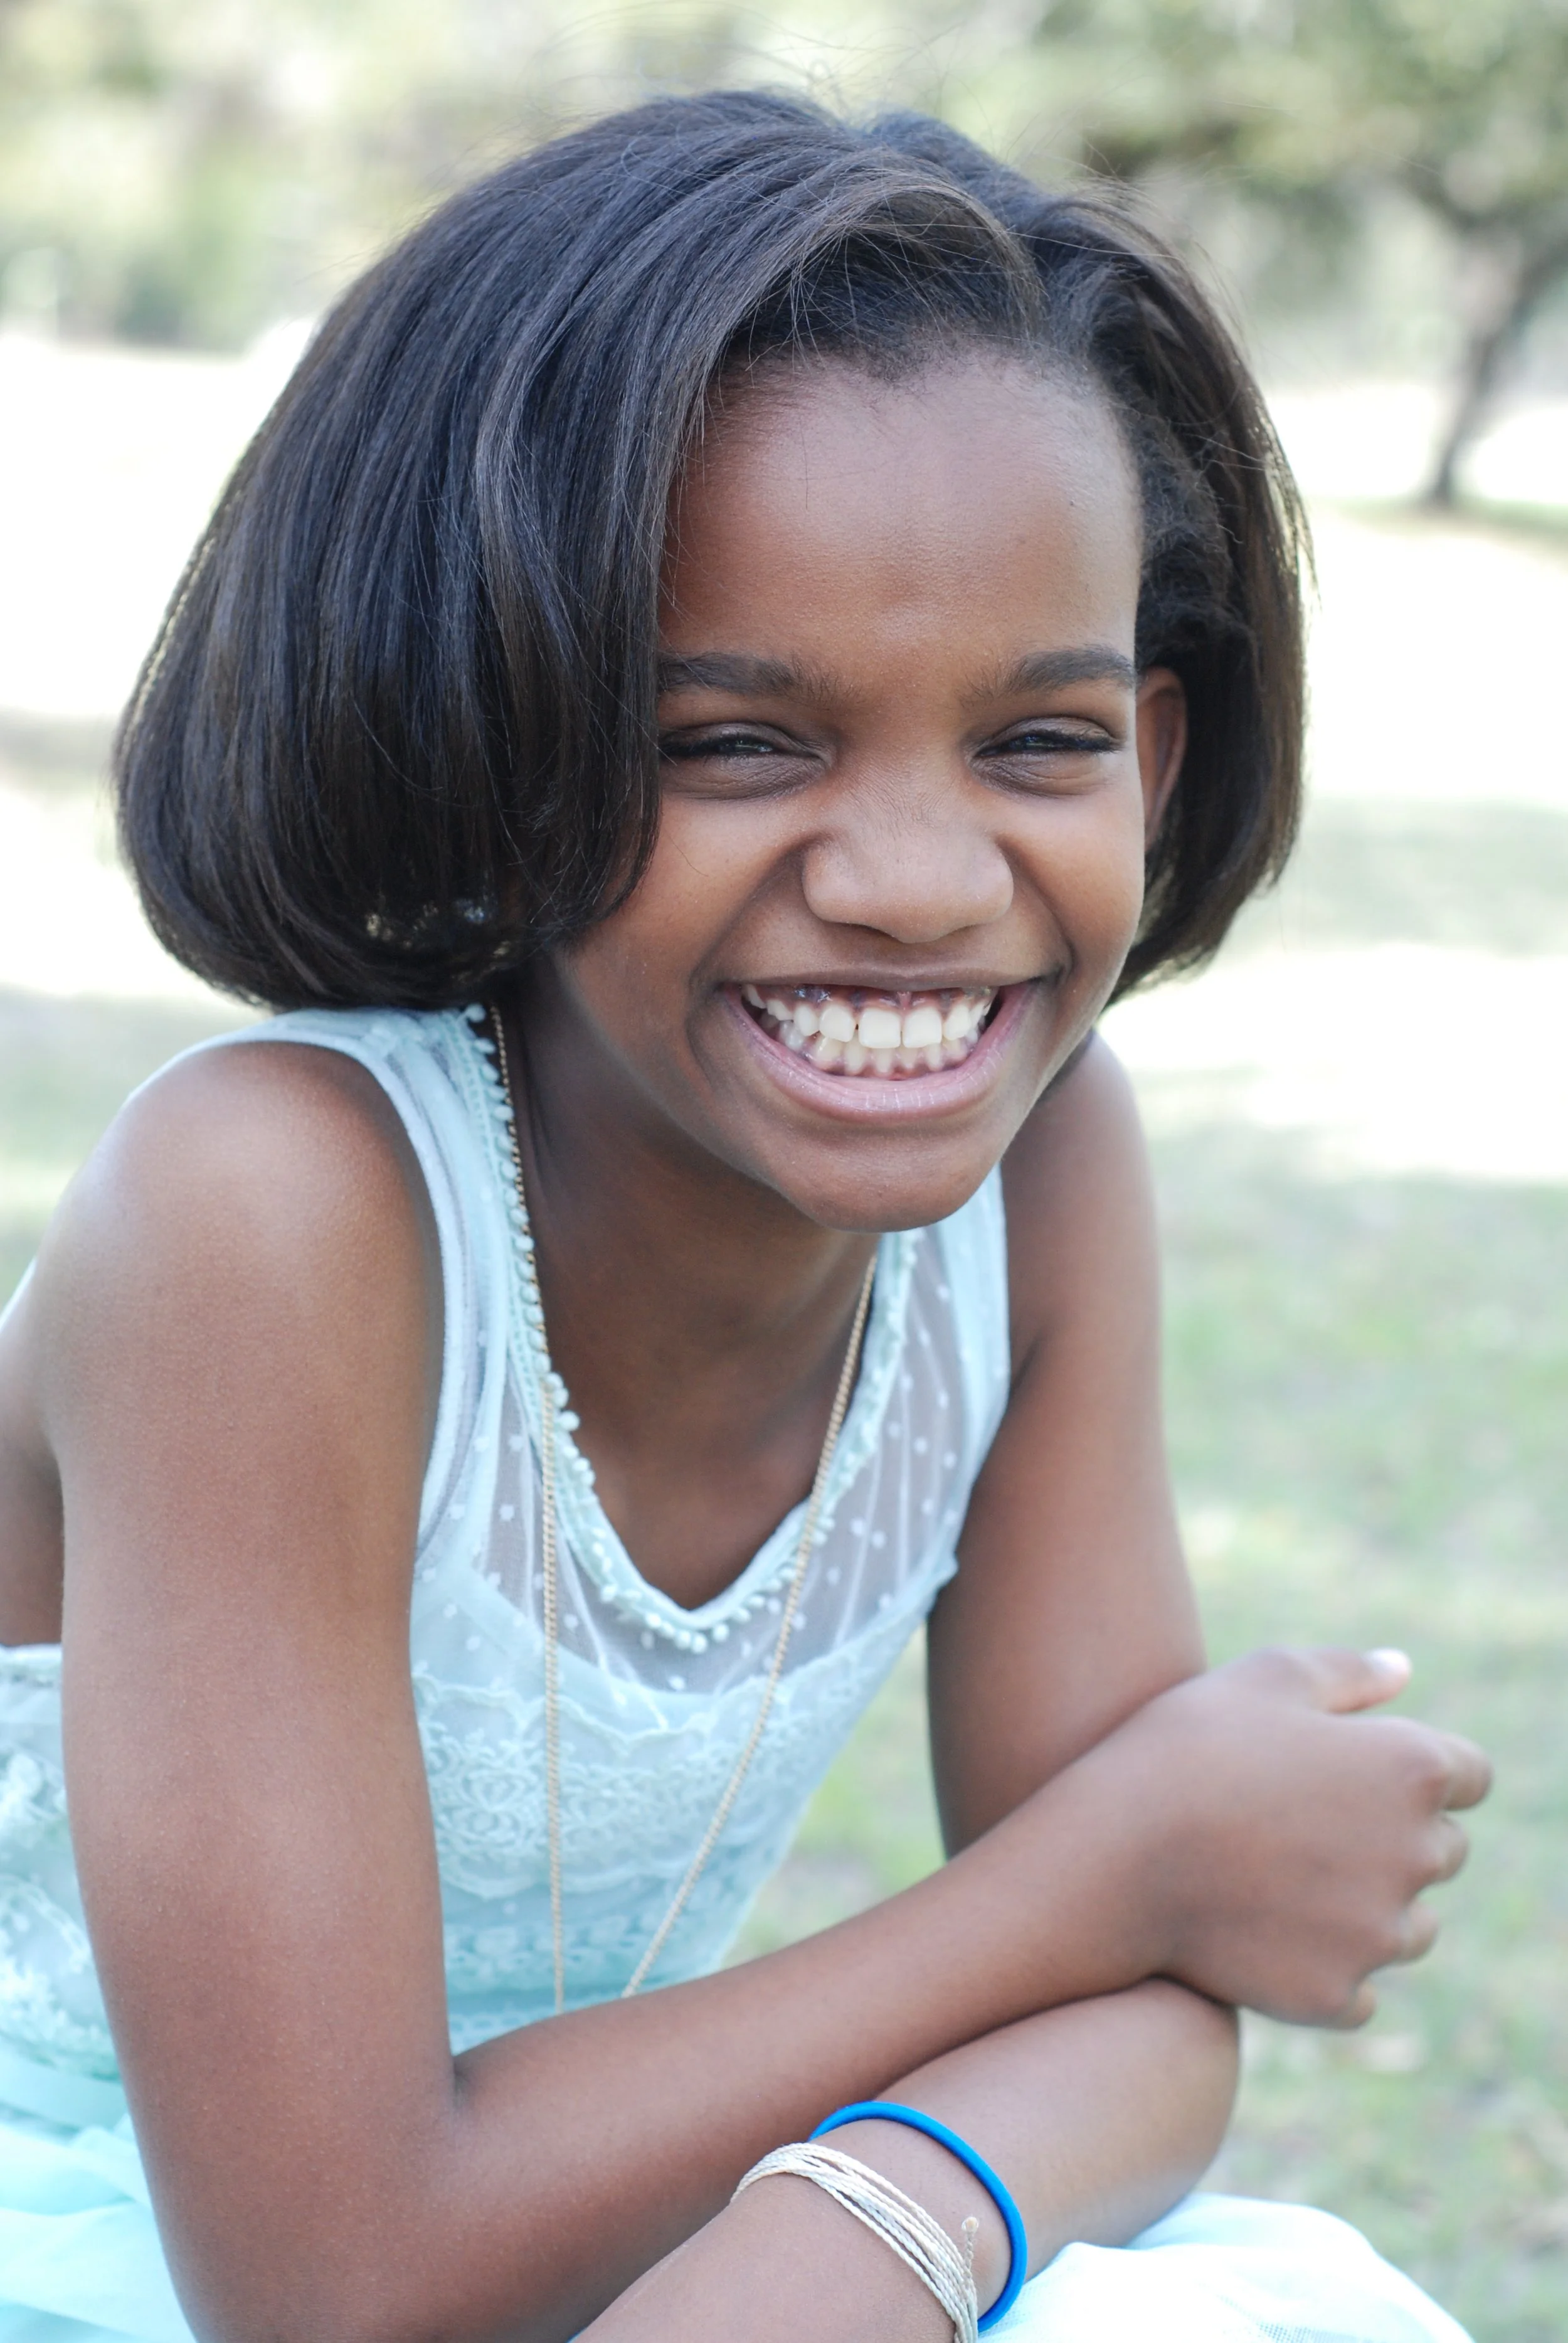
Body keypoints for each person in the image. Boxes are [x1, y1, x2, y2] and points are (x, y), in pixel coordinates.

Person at [0, 90, 1491, 2343]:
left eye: (1038, 743)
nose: (917, 884)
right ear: (489, 736)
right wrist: (1097, 1875)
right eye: (735, 744)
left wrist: (866, 2235)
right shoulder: (275, 1212)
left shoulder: (1045, 1168)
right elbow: (323, 2287)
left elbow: (1161, 2013)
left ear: (1155, 760)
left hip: (638, 2245)